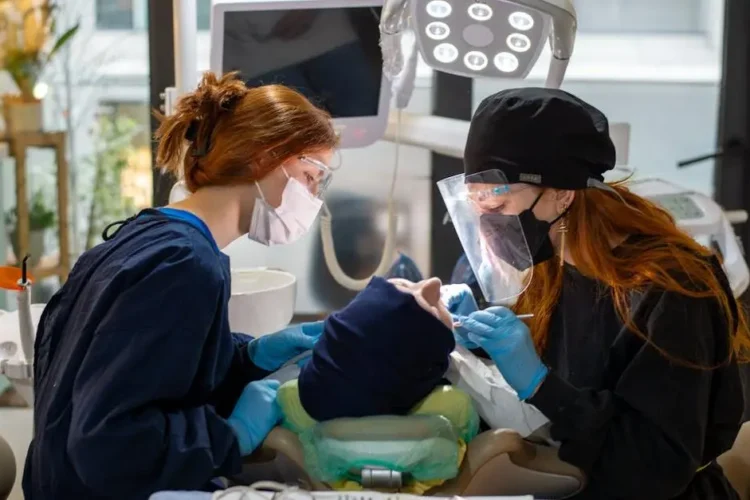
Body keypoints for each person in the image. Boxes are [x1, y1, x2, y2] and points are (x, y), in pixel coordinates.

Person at [23, 71, 340, 499]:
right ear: (266, 158)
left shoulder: (150, 236)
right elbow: (109, 444)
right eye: (310, 175)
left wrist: (245, 358)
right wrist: (228, 435)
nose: (314, 197)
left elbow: (149, 372)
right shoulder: (184, 264)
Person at [440, 87, 748, 499]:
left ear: (562, 193)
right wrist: (471, 342)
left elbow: (651, 466)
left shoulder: (672, 289)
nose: (487, 224)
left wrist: (540, 384)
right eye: (475, 204)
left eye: (497, 205)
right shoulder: (547, 264)